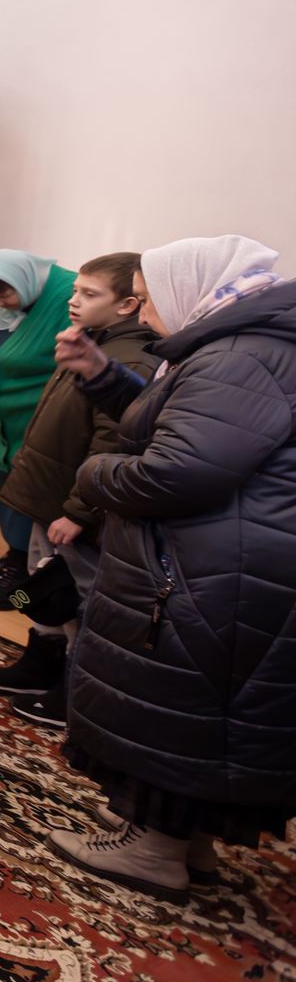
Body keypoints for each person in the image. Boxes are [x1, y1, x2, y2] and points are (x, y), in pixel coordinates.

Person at [45, 236, 295, 901]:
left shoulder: (241, 356)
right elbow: (181, 423)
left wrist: (94, 473)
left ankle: (154, 849)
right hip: (225, 558)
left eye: (149, 299)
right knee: (199, 704)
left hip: (210, 565)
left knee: (178, 698)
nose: (147, 314)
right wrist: (105, 376)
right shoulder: (240, 348)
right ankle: (185, 841)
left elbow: (178, 469)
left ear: (192, 290)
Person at [0, 252, 153, 725]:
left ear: (127, 304)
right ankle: (41, 659)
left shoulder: (129, 358)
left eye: (89, 294)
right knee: (41, 584)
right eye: (75, 291)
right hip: (50, 496)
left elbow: (111, 446)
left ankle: (73, 691)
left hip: (74, 508)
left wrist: (78, 510)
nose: (73, 301)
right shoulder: (91, 339)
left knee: (76, 595)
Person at [0, 249, 75, 607]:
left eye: (4, 296)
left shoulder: (67, 297)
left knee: (33, 490)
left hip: (44, 416)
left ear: (23, 282)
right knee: (5, 482)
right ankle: (15, 554)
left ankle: (27, 574)